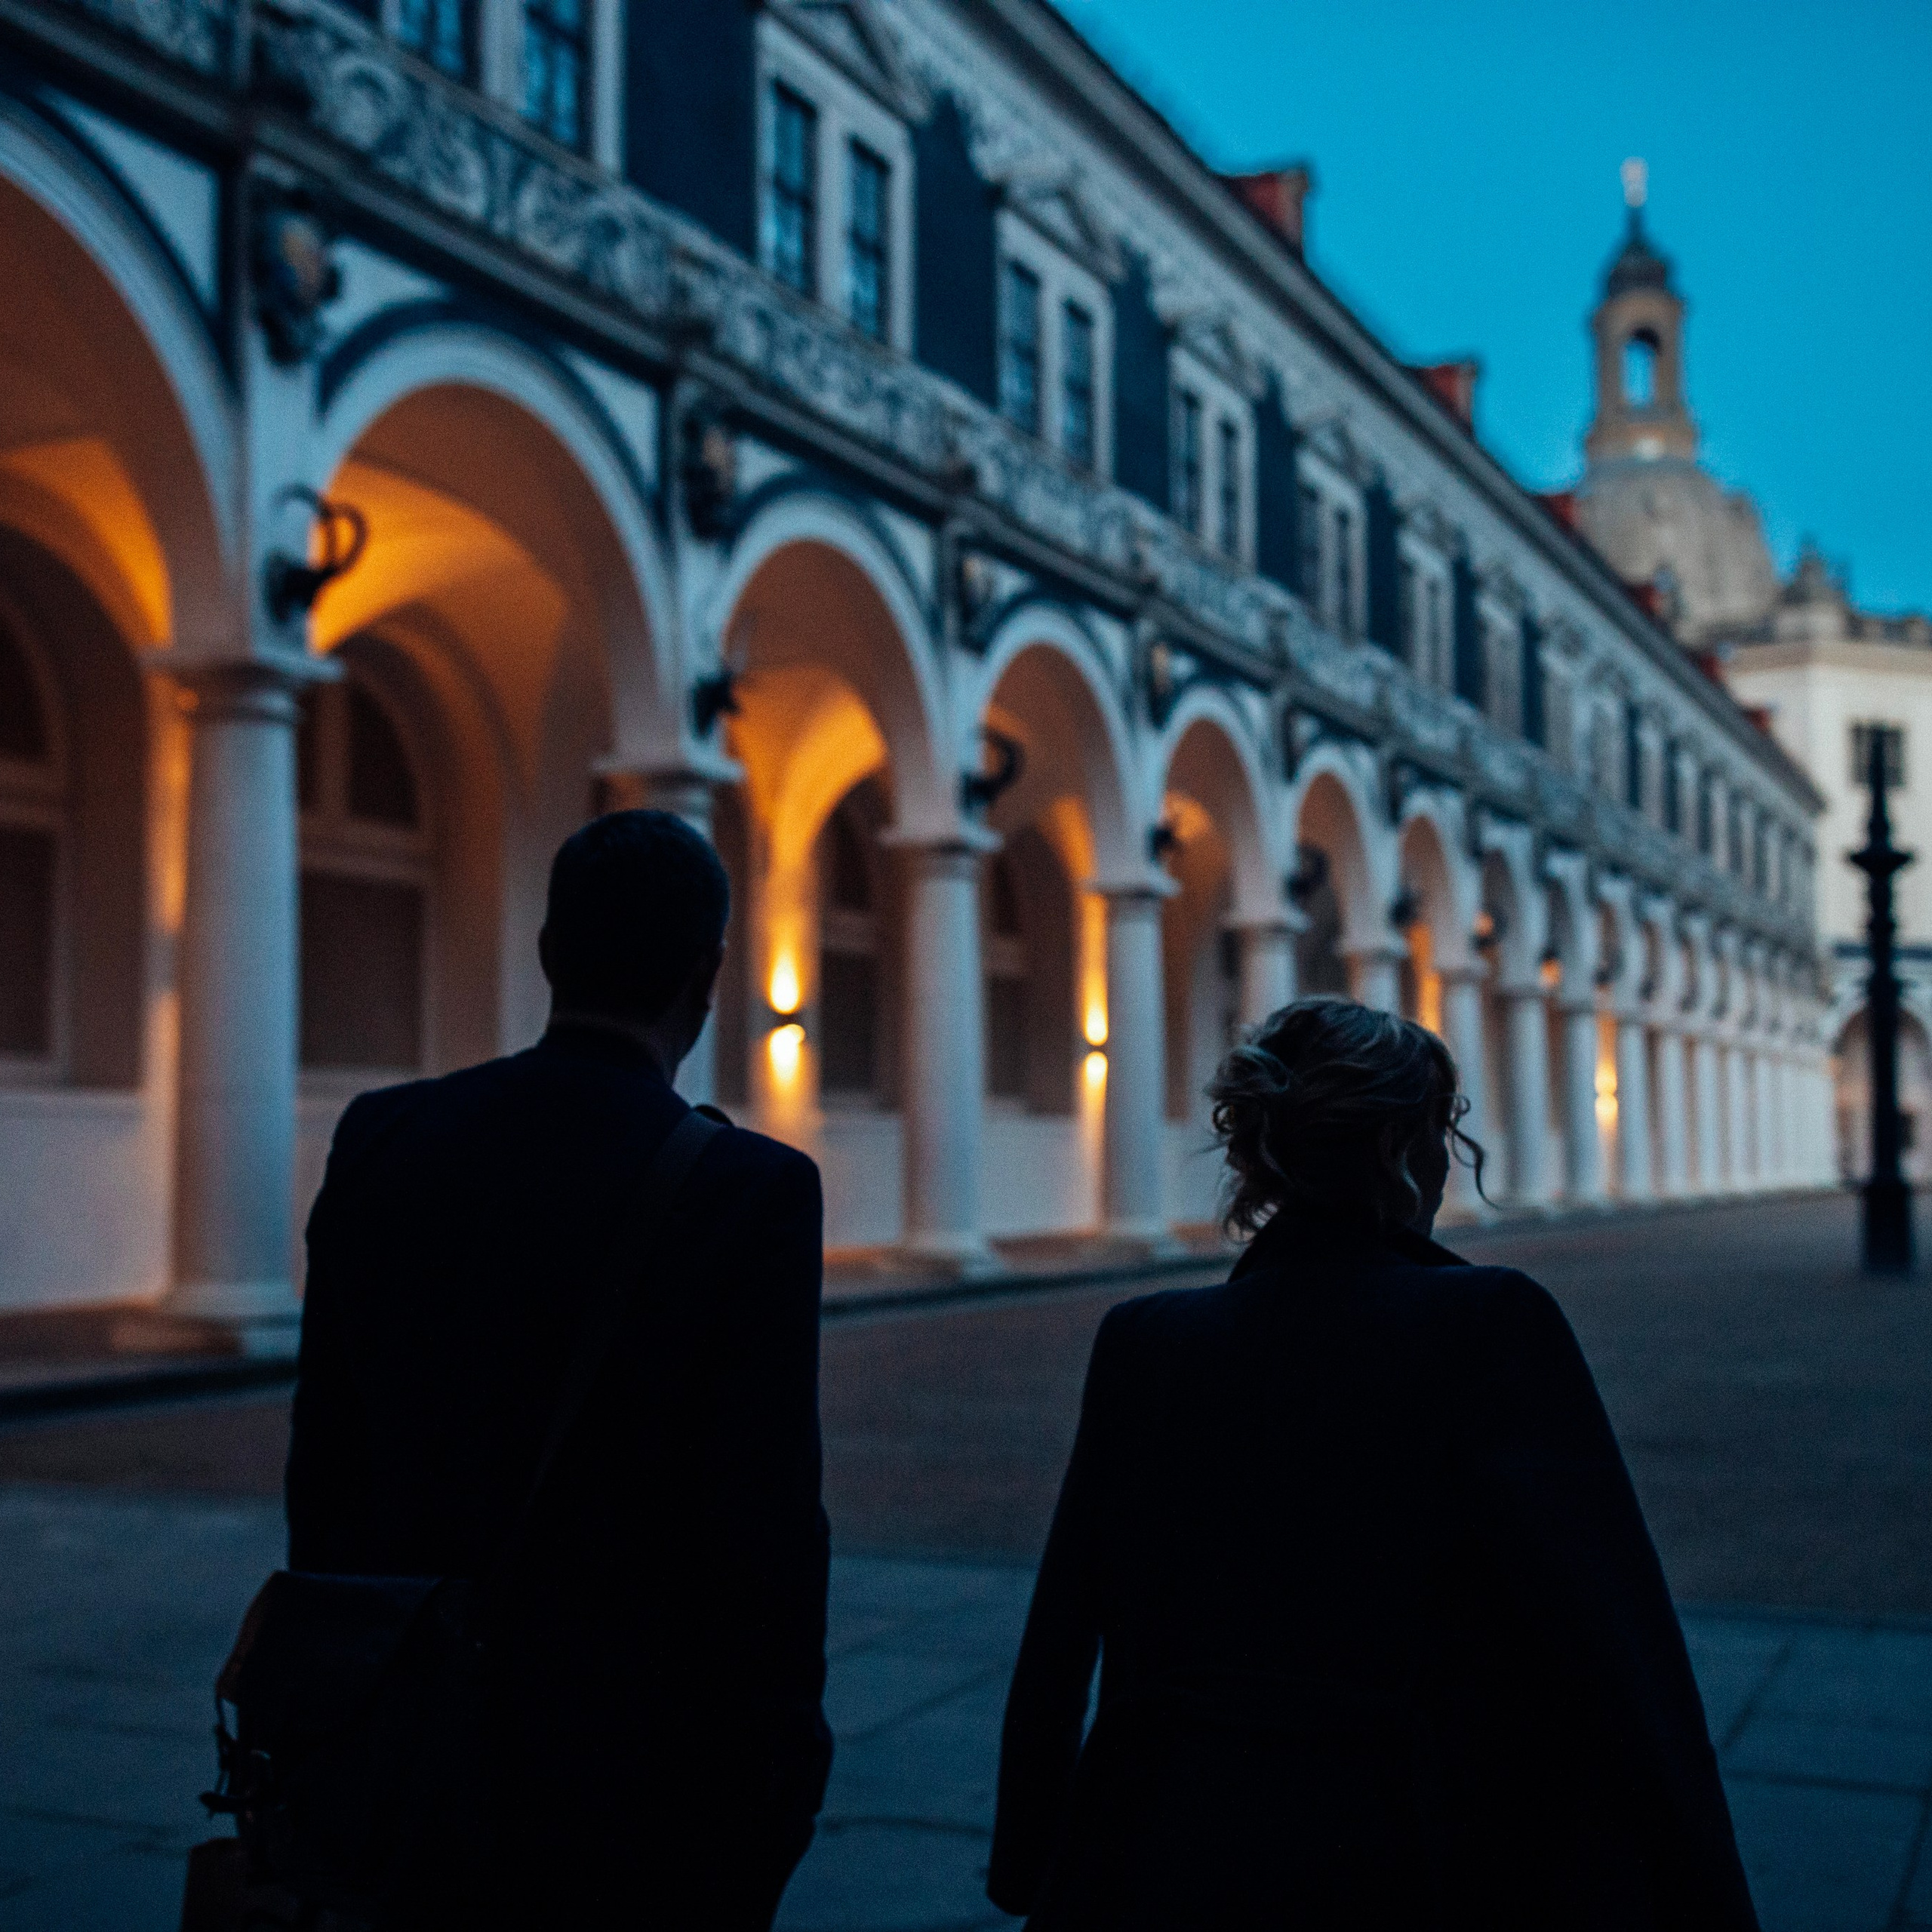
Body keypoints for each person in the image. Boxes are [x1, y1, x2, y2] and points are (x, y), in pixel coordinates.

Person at [988, 996, 1758, 1932]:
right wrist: (1699, 1885)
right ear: (1403, 1145)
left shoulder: (1146, 1339)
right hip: (1408, 1848)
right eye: (1442, 1130)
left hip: (1168, 1842)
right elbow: (1612, 1638)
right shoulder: (1487, 1322)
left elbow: (1063, 1628)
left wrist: (1035, 1856)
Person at [286, 809, 832, 1930]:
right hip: (628, 1766)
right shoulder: (750, 1190)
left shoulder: (384, 1135)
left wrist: (340, 1701)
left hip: (399, 1733)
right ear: (710, 972)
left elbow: (324, 1460)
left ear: (548, 953)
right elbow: (766, 1530)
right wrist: (778, 1772)